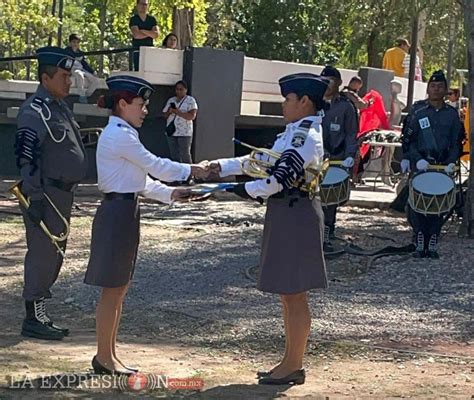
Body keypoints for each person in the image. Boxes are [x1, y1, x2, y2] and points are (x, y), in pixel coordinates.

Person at [83, 75, 209, 375]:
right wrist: (194, 169)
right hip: (117, 213)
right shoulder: (119, 135)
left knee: (119, 288)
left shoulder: (125, 132)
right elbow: (156, 165)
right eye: (140, 104)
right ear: (123, 104)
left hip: (126, 209)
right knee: (113, 289)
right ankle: (104, 356)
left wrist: (171, 193)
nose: (144, 111)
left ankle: (108, 355)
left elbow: (141, 181)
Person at [209, 72, 329, 385]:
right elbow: (258, 160)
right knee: (288, 294)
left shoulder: (307, 137)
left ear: (304, 101)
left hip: (296, 212)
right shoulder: (293, 132)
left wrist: (241, 190)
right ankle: (289, 361)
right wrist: (219, 166)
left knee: (295, 293)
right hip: (286, 213)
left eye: (288, 99)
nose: (284, 104)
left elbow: (279, 180)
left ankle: (294, 364)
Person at [14, 46, 88, 340]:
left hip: (62, 194)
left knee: (55, 253)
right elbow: (26, 154)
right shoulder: (35, 110)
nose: (69, 81)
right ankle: (34, 316)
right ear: (46, 78)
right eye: (63, 76)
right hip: (45, 193)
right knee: (43, 254)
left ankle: (40, 310)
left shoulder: (58, 107)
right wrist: (35, 195)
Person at [405, 70, 464, 258]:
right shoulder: (418, 111)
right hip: (421, 164)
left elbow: (457, 141)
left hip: (442, 166)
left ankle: (433, 239)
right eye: (433, 86)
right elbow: (409, 139)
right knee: (417, 205)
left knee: (441, 207)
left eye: (440, 86)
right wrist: (413, 158)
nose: (436, 89)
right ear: (428, 88)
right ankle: (420, 236)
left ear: (446, 90)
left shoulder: (452, 115)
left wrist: (451, 162)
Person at [320, 66, 358, 252]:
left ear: (339, 83)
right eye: (324, 80)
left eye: (330, 81)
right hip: (314, 159)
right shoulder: (312, 102)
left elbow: (351, 134)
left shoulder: (346, 106)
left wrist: (350, 156)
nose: (327, 84)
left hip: (337, 158)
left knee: (330, 199)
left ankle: (327, 232)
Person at [162, 80, 198, 164]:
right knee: (174, 155)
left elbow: (191, 116)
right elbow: (164, 115)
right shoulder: (171, 100)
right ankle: (178, 173)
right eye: (177, 89)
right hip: (172, 131)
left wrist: (178, 112)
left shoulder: (190, 101)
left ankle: (189, 173)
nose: (178, 91)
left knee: (185, 154)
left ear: (186, 90)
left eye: (181, 89)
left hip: (184, 132)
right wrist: (169, 111)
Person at [64, 33, 100, 103]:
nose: (75, 44)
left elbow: (84, 64)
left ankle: (86, 96)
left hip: (82, 69)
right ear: (70, 42)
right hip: (72, 69)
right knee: (79, 74)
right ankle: (81, 95)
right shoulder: (66, 51)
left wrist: (92, 72)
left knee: (96, 81)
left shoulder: (80, 53)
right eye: (74, 42)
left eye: (77, 42)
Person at [129, 0, 158, 71]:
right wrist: (150, 33)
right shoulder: (134, 19)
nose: (143, 6)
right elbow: (136, 35)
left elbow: (156, 35)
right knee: (138, 71)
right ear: (137, 5)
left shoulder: (152, 19)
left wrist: (142, 31)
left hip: (149, 51)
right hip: (137, 51)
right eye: (142, 4)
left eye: (145, 4)